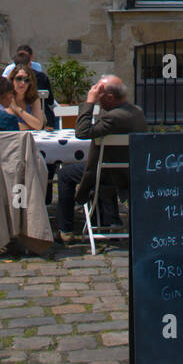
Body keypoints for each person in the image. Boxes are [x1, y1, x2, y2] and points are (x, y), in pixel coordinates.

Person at [55, 76, 147, 243]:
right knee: (103, 163)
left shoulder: (113, 118)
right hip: (131, 172)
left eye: (99, 95)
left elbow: (82, 132)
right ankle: (111, 219)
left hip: (108, 175)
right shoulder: (137, 112)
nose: (96, 97)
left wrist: (89, 102)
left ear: (110, 98)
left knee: (65, 174)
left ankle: (66, 229)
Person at [10, 64, 45, 130]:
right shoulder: (8, 98)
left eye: (27, 80)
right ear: (12, 80)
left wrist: (17, 109)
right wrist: (31, 126)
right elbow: (12, 125)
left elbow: (39, 125)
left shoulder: (33, 98)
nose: (23, 83)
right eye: (19, 78)